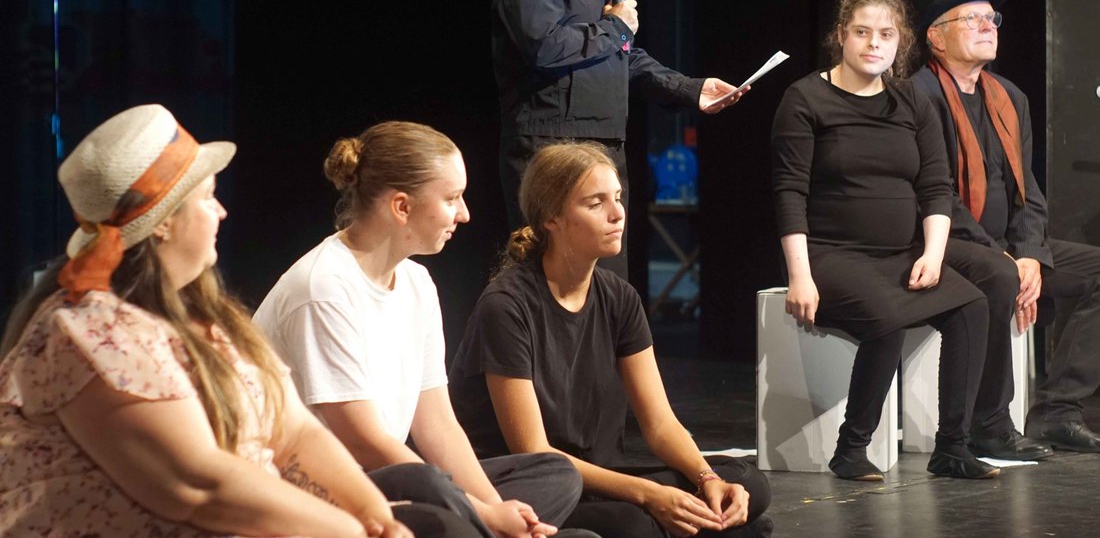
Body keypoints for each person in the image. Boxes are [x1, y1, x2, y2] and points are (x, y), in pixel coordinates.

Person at [0, 104, 473, 537]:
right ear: (163, 222)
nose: (222, 211)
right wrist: (352, 531)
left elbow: (295, 432)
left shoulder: (211, 319)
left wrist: (376, 516)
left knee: (434, 517)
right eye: (208, 198)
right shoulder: (91, 334)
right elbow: (201, 487)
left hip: (265, 520)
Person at [252, 121, 585, 538]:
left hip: (393, 479)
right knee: (425, 483)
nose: (464, 214)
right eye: (451, 198)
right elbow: (363, 442)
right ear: (401, 207)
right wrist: (484, 514)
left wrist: (497, 509)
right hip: (325, 488)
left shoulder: (417, 283)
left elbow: (437, 425)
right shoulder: (323, 287)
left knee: (555, 472)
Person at [448, 142, 773, 537]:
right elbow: (533, 451)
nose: (617, 213)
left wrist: (708, 480)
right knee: (637, 525)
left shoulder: (620, 297)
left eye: (617, 198)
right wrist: (648, 495)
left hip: (600, 476)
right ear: (552, 217)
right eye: (596, 203)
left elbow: (660, 423)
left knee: (748, 483)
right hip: (533, 488)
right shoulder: (506, 306)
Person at [492, 0, 746, 278]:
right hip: (551, 153)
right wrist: (614, 27)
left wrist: (689, 89)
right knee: (554, 288)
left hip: (605, 149)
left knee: (608, 287)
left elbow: (621, 54)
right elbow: (544, 45)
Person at [772, 0, 999, 481]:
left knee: (972, 305)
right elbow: (789, 191)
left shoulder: (911, 101)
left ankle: (952, 446)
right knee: (887, 317)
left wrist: (933, 254)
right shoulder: (806, 98)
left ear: (901, 43)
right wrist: (800, 275)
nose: (874, 43)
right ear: (841, 36)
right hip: (831, 255)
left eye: (886, 34)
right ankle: (851, 448)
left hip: (899, 254)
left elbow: (936, 187)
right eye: (862, 32)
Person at [911, 0, 1100, 453]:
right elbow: (936, 193)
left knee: (1096, 271)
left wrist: (1030, 253)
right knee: (996, 274)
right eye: (971, 18)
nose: (988, 26)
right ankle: (990, 424)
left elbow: (1027, 190)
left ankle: (1057, 410)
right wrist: (1006, 258)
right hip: (945, 244)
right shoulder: (919, 97)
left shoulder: (1009, 97)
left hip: (1008, 248)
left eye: (992, 18)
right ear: (936, 36)